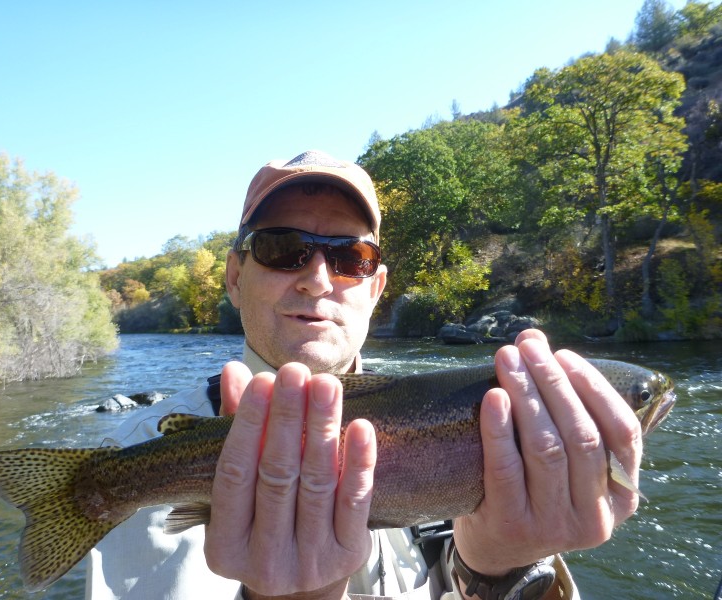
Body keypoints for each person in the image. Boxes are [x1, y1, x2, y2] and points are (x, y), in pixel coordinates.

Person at [86, 150, 643, 600]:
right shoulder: (135, 454)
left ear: (376, 288)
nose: (317, 279)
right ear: (234, 277)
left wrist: (501, 569)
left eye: (351, 256)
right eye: (284, 250)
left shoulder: (481, 428)